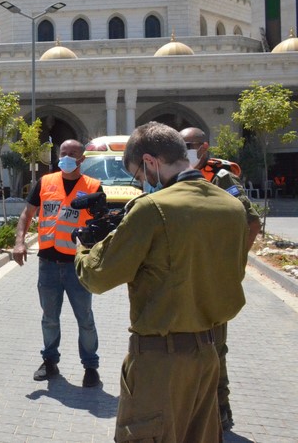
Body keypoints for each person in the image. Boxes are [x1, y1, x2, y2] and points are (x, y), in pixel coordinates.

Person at [76, 122, 248, 442]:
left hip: (160, 360)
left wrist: (85, 245)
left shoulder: (152, 208)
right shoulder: (232, 206)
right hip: (208, 354)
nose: (141, 184)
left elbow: (97, 277)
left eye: (139, 176)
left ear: (151, 162)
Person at [180, 126, 261, 431]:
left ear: (204, 147)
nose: (184, 149)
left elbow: (251, 222)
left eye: (188, 144)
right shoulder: (181, 176)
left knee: (214, 346)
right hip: (189, 274)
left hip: (214, 278)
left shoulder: (221, 178)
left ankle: (221, 409)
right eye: (181, 144)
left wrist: (234, 264)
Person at [12, 139, 103, 387]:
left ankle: (90, 367)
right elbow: (26, 214)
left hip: (77, 264)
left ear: (82, 159)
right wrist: (20, 242)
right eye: (63, 153)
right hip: (48, 263)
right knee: (49, 317)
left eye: (73, 154)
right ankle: (50, 361)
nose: (67, 158)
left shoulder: (93, 187)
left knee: (85, 319)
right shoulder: (45, 182)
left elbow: (100, 225)